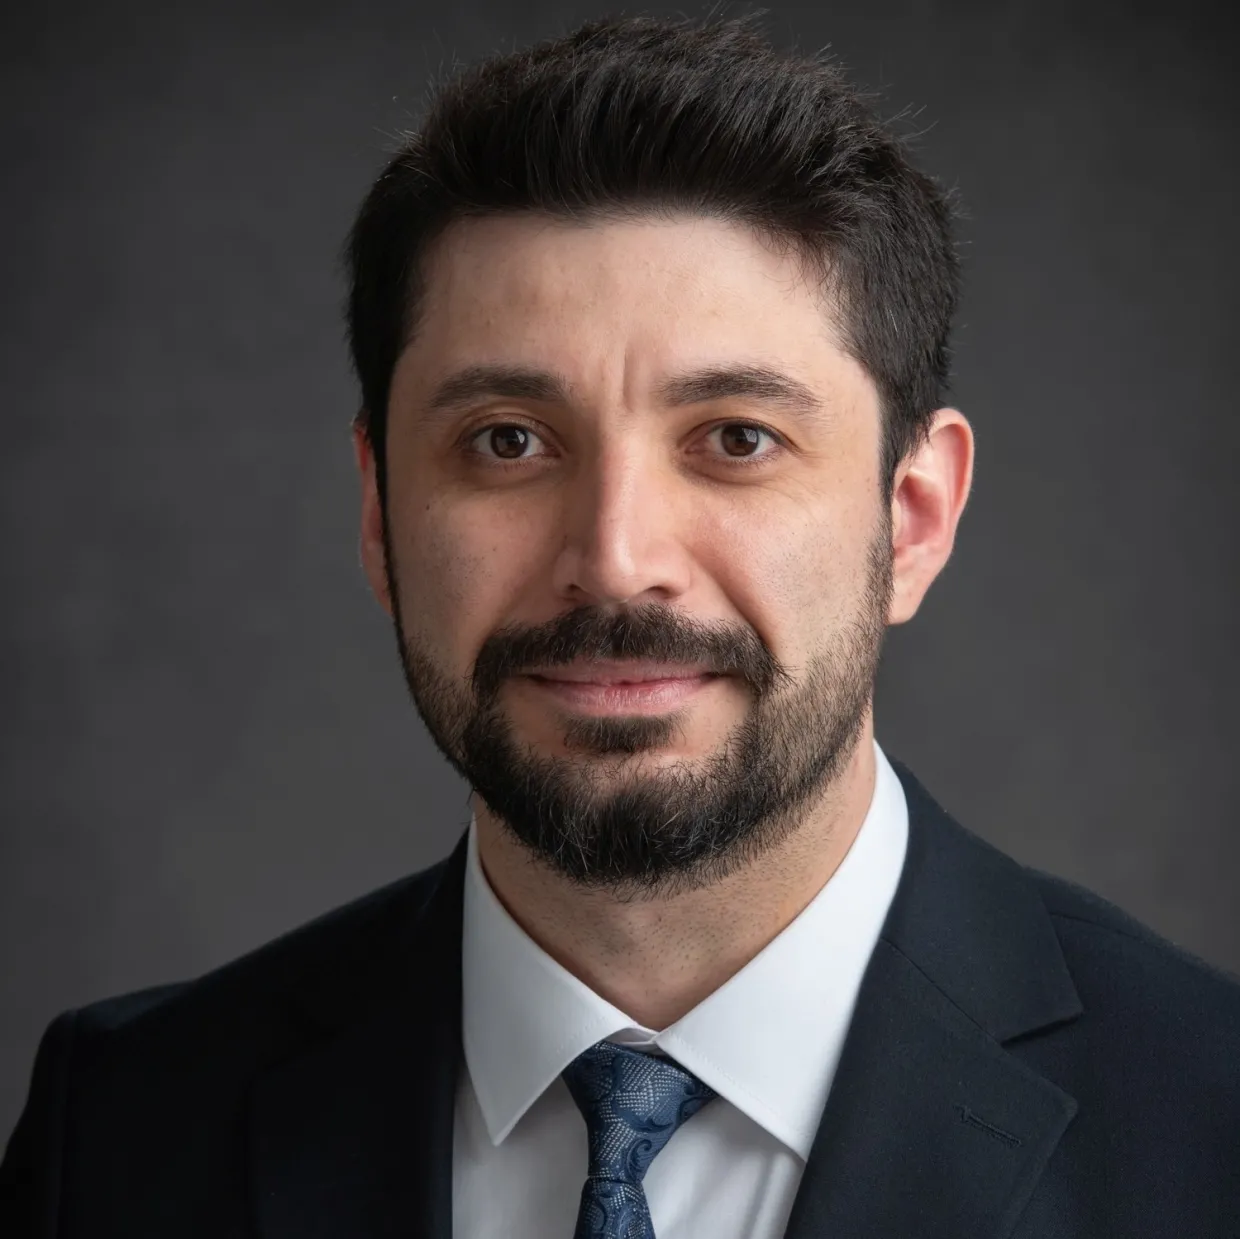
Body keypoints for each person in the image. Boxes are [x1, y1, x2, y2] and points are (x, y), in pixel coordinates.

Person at [3, 11, 1238, 1237]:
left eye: (737, 439)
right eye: (507, 442)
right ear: (379, 516)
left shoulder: (1212, 1122)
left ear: (911, 518)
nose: (614, 561)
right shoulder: (118, 1130)